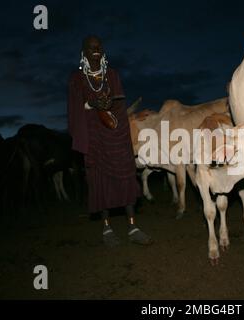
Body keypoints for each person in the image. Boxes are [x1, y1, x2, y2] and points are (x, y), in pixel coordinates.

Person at [67, 35, 152, 247]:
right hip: (94, 137)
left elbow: (120, 105)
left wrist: (109, 106)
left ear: (103, 51)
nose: (96, 49)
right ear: (84, 52)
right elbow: (73, 110)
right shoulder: (76, 79)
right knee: (100, 181)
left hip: (115, 135)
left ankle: (133, 227)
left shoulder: (112, 75)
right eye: (91, 47)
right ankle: (107, 229)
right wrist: (92, 104)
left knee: (125, 177)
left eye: (99, 47)